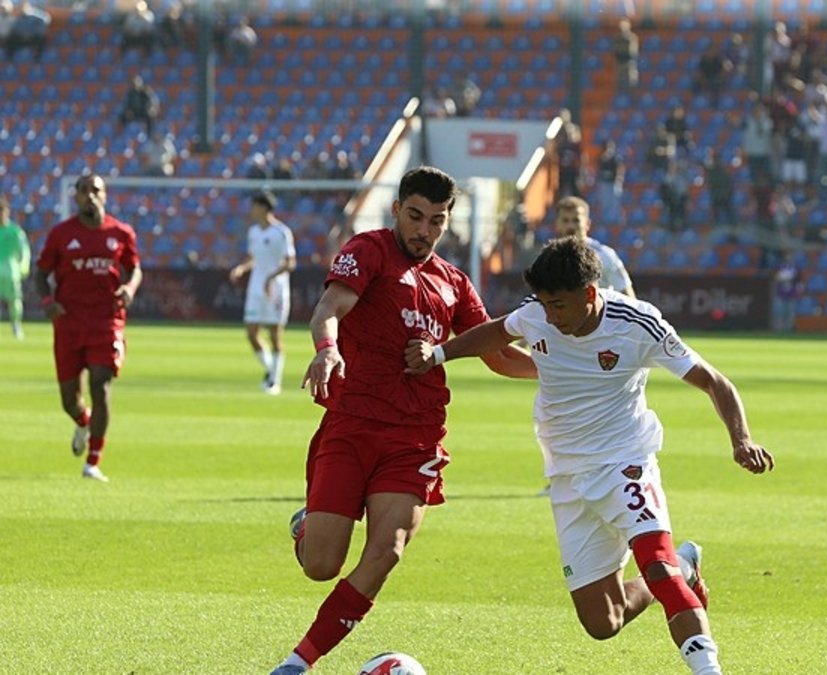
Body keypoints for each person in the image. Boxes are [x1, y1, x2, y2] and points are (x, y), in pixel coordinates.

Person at [404, 236, 775, 675]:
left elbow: (715, 381)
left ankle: (707, 666)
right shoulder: (538, 314)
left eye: (557, 305)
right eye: (543, 304)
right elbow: (497, 332)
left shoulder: (638, 324)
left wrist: (741, 439)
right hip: (566, 472)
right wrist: (440, 353)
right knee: (603, 622)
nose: (548, 315)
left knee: (655, 564)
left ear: (590, 294)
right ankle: (686, 567)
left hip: (625, 459)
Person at [269, 166, 535, 675]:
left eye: (436, 221)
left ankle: (298, 662)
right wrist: (327, 351)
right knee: (321, 566)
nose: (424, 230)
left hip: (415, 439)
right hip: (351, 424)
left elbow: (497, 354)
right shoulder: (367, 251)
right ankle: (308, 530)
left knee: (387, 550)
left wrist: (563, 373)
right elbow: (329, 307)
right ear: (397, 210)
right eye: (416, 217)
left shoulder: (454, 283)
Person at [33, 175, 142, 482]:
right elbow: (41, 274)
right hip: (68, 322)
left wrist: (130, 288)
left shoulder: (121, 233)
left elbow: (134, 268)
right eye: (84, 190)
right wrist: (47, 301)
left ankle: (93, 462)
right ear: (76, 197)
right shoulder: (61, 234)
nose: (90, 195)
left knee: (101, 383)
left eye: (96, 190)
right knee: (69, 399)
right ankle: (83, 422)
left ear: (104, 195)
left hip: (107, 321)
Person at [228, 191, 295, 395]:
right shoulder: (254, 232)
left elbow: (290, 263)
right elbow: (252, 257)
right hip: (256, 288)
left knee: (275, 334)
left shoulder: (282, 232)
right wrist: (242, 268)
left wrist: (271, 277)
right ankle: (270, 371)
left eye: (254, 205)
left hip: (276, 289)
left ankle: (275, 382)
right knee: (251, 333)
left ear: (264, 208)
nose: (251, 210)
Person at [554, 196, 635, 298]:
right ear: (557, 224)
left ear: (587, 224)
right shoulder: (549, 259)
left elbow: (628, 296)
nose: (571, 226)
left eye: (576, 220)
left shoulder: (604, 255)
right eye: (565, 220)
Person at [0, 195, 31, 339]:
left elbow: (24, 250)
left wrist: (24, 265)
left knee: (14, 300)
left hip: (10, 270)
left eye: (2, 211)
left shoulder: (15, 231)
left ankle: (16, 325)